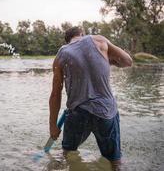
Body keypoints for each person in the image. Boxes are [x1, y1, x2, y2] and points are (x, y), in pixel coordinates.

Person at [49, 27, 133, 170]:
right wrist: (108, 59)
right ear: (82, 35)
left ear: (68, 40)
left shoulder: (61, 55)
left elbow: (56, 93)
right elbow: (127, 61)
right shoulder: (99, 40)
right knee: (115, 162)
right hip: (105, 111)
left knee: (68, 155)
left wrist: (53, 126)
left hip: (77, 113)